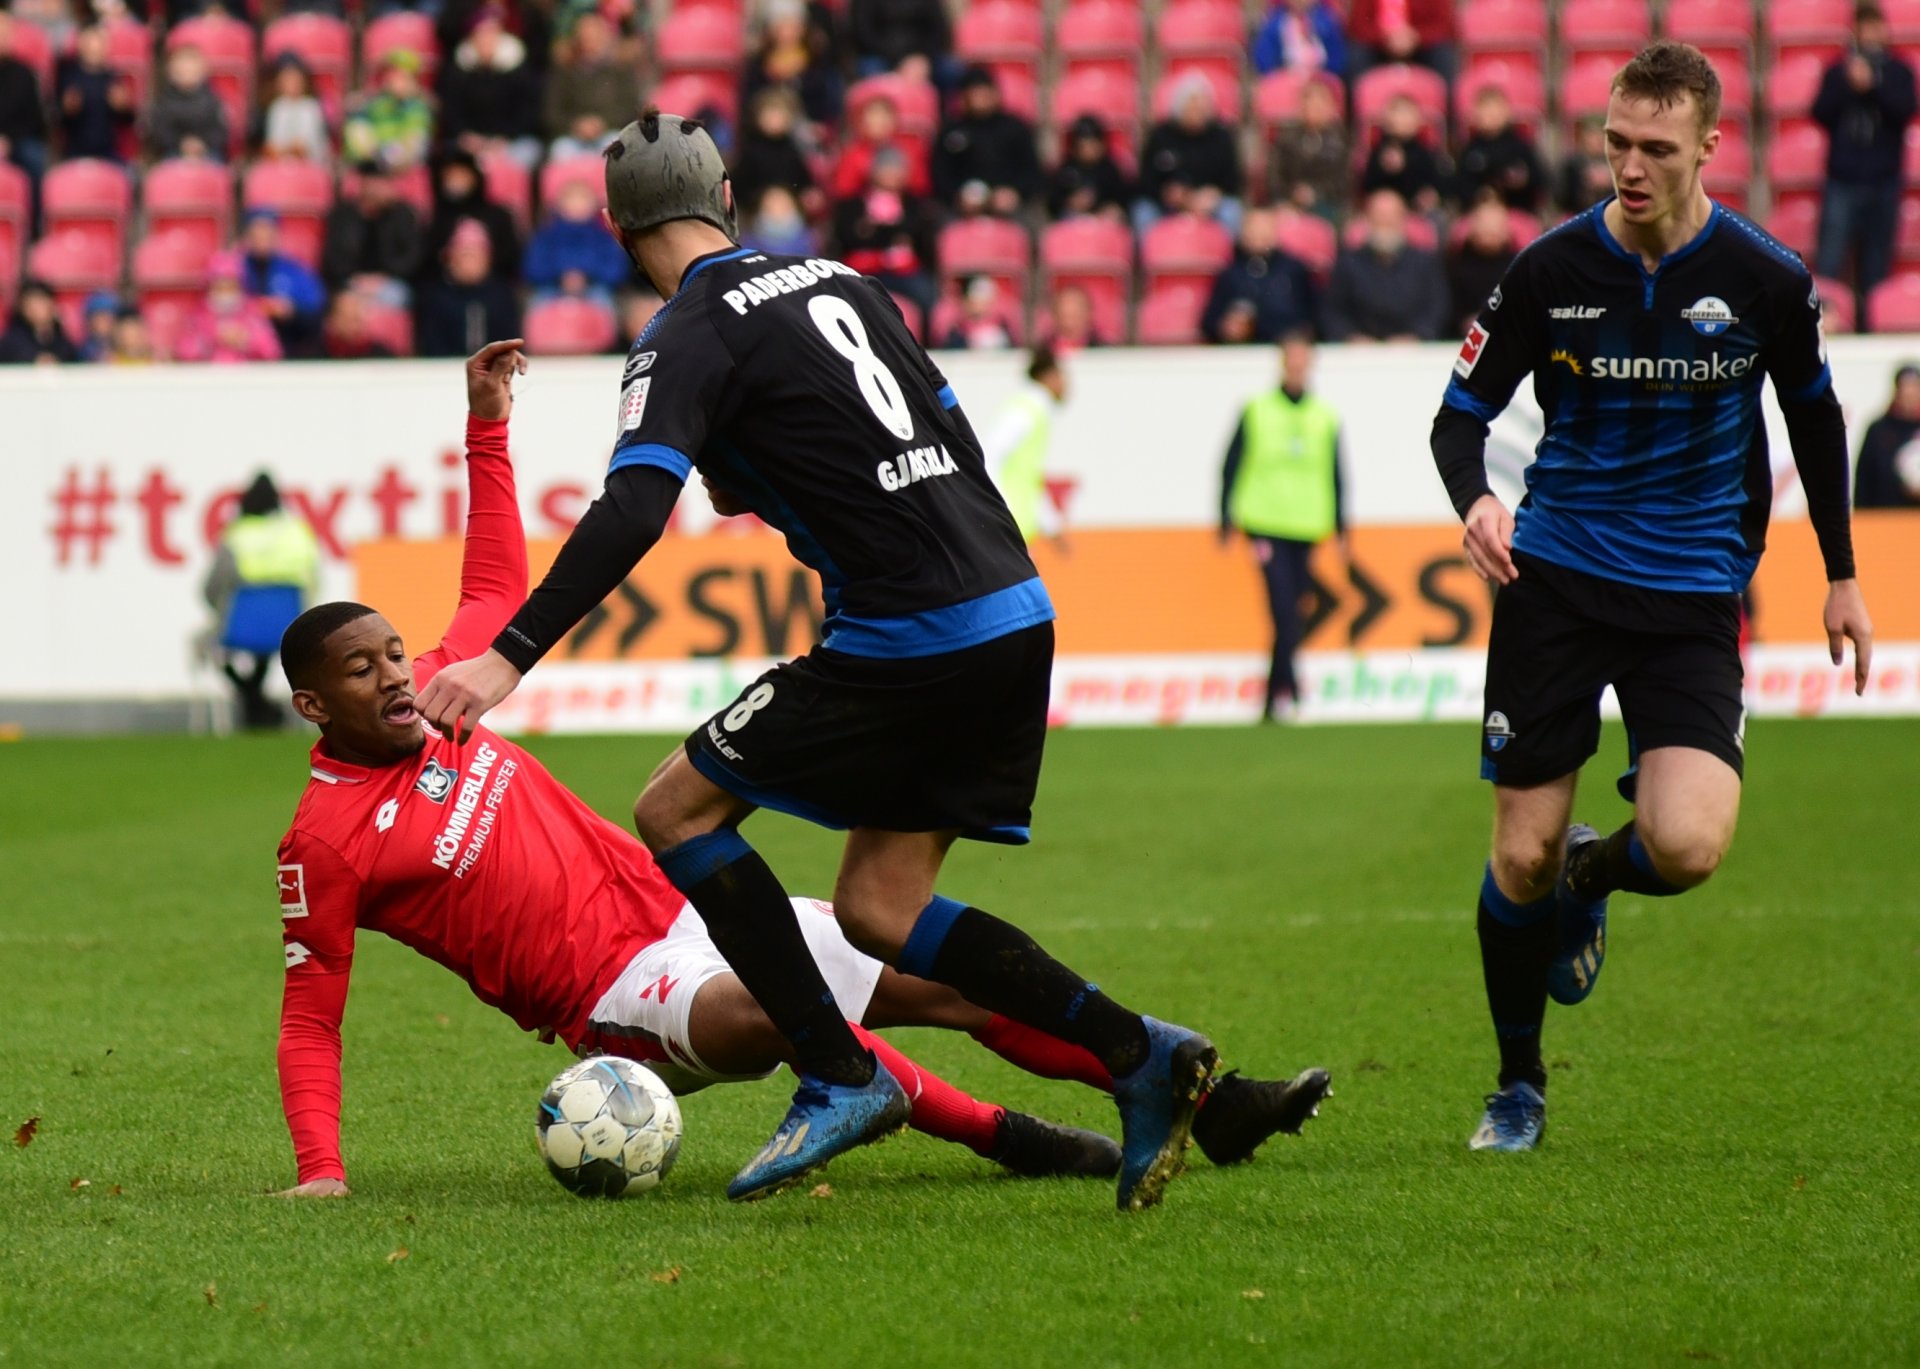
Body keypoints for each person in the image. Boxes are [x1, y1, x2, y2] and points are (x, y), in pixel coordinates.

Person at [282, 340, 1332, 1198]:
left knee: (946, 986)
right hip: (616, 991)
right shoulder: (323, 841)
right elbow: (310, 1011)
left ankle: (1206, 1095)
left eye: (392, 652)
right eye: (362, 668)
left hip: (687, 907)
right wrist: (322, 1171)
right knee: (775, 1010)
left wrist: (487, 425)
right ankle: (1009, 1136)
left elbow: (495, 577)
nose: (394, 675)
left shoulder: (446, 697)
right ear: (313, 705)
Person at [416, 113, 1227, 1212]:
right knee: (879, 909)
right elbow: (943, 436)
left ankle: (838, 1071)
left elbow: (631, 509)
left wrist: (508, 657)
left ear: (616, 226)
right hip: (1013, 608)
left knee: (677, 813)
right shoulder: (842, 280)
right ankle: (1142, 1055)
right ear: (728, 195)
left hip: (906, 631)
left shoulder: (681, 333)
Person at [1429, 42, 1873, 1152]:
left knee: (1686, 846)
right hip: (1558, 578)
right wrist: (1476, 501)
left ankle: (1596, 872)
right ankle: (1517, 1086)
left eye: (1656, 148)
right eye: (1617, 143)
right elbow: (1458, 414)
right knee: (1515, 854)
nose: (1630, 166)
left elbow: (1817, 421)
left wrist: (1842, 576)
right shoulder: (1549, 270)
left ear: (1710, 147)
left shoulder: (1767, 279)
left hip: (1690, 590)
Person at [1220, 329, 1346, 721]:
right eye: (1290, 359)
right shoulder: (1257, 408)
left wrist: (1341, 527)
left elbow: (1337, 473)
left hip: (1306, 525)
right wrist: (1225, 516)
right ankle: (1286, 691)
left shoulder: (1324, 415)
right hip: (1265, 522)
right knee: (1282, 608)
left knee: (1294, 608)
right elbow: (1231, 463)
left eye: (1301, 359)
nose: (1296, 367)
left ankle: (1276, 692)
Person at [1813, 3, 1917, 322]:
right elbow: (1820, 113)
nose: (1871, 35)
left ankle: (1871, 327)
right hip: (1842, 180)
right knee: (1830, 263)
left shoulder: (1899, 71)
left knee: (1876, 267)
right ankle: (1823, 326)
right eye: (1865, 28)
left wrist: (1873, 87)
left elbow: (1904, 111)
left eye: (1876, 28)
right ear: (1855, 31)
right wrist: (1849, 84)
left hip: (1884, 181)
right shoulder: (1837, 70)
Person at [206, 473, 320, 730]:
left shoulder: (237, 535)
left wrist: (222, 612)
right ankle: (258, 704)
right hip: (290, 627)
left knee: (213, 644)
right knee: (267, 651)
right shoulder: (297, 533)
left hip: (238, 627)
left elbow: (212, 588)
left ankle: (252, 700)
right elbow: (313, 583)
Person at [1320, 188, 1450, 341]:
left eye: (1391, 216)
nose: (1385, 222)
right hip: (1359, 353)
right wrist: (1350, 336)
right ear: (1367, 219)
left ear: (1403, 219)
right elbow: (1333, 310)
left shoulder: (1425, 263)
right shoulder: (1348, 263)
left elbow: (1437, 308)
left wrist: (1417, 335)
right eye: (1379, 216)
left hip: (1414, 352)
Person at [829, 143, 941, 317]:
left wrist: (873, 231)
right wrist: (894, 234)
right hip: (863, 269)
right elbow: (849, 238)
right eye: (886, 167)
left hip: (905, 271)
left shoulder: (915, 205)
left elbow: (919, 237)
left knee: (927, 296)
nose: (891, 174)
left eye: (896, 168)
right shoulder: (852, 205)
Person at [983, 346, 1070, 551]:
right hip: (1007, 531)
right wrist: (1002, 512)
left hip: (1014, 532)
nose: (1066, 384)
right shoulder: (1027, 411)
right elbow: (989, 456)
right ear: (1049, 376)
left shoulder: (1035, 411)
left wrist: (1051, 526)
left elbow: (1029, 482)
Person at [1136, 75, 1244, 236]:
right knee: (1143, 212)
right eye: (1190, 107)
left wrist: (1214, 194)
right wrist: (1165, 193)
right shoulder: (1160, 135)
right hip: (1166, 202)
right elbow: (1145, 179)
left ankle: (1229, 259)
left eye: (1200, 107)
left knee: (1231, 211)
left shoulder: (1221, 136)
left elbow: (1234, 180)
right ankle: (1149, 259)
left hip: (1208, 203)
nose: (1196, 112)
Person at [440, 8, 544, 169]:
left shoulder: (519, 70)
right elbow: (451, 111)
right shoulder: (458, 72)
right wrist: (467, 136)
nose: (486, 40)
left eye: (491, 34)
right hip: (470, 141)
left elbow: (528, 113)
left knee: (527, 153)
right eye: (480, 35)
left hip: (512, 140)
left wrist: (505, 138)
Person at [931, 66, 1042, 218]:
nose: (979, 98)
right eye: (974, 93)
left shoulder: (1015, 127)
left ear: (994, 93)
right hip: (961, 206)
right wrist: (957, 197)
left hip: (1010, 204)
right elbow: (941, 173)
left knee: (1031, 221)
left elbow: (1033, 171)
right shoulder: (951, 131)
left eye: (983, 91)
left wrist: (1015, 193)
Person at [1202, 207, 1317, 345]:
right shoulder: (1231, 273)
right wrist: (1225, 327)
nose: (1258, 235)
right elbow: (1210, 320)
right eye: (1252, 229)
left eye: (1264, 229)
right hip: (1244, 352)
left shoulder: (1294, 269)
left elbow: (1311, 316)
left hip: (1285, 348)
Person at [416, 218, 523, 357]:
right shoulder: (436, 297)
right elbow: (431, 346)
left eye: (476, 257)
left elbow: (511, 343)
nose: (470, 264)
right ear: (451, 259)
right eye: (465, 256)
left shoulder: (502, 296)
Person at [542, 11, 641, 157]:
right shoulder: (564, 73)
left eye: (594, 36)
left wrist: (602, 124)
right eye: (584, 36)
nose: (589, 41)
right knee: (562, 151)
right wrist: (576, 125)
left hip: (610, 132)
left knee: (615, 147)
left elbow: (631, 108)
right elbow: (551, 114)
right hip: (572, 137)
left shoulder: (620, 71)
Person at [321, 161, 424, 302]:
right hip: (350, 280)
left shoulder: (402, 214)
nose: (379, 187)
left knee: (395, 297)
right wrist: (356, 278)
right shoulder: (343, 214)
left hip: (389, 282)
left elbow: (411, 257)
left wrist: (383, 277)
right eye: (375, 181)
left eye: (384, 182)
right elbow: (333, 257)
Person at [526, 177, 635, 305]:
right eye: (571, 199)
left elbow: (616, 270)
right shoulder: (547, 235)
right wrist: (562, 275)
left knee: (604, 301)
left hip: (594, 287)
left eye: (583, 199)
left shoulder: (603, 236)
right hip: (552, 287)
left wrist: (586, 275)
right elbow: (533, 267)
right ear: (558, 204)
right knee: (538, 302)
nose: (577, 205)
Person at [423, 147, 521, 283]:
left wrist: (480, 263)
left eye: (462, 176)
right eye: (450, 177)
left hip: (492, 284)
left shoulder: (498, 214)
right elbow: (430, 257)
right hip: (447, 286)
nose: (456, 182)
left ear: (475, 178)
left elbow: (511, 255)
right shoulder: (439, 217)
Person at [240, 210, 329, 358]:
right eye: (256, 233)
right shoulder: (233, 268)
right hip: (244, 352)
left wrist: (290, 310)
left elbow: (315, 311)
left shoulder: (295, 270)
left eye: (267, 232)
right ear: (247, 235)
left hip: (289, 348)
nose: (262, 238)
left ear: (277, 235)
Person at [740, 0, 843, 128]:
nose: (787, 32)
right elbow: (750, 101)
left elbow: (825, 101)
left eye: (793, 26)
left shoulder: (815, 59)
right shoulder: (760, 63)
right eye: (782, 26)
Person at [176, 253, 286, 363]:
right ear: (209, 288)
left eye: (231, 287)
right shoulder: (198, 317)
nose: (225, 293)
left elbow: (272, 352)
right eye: (220, 288)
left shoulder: (253, 314)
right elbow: (184, 352)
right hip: (209, 377)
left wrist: (246, 340)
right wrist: (214, 338)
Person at [729, 88, 820, 221]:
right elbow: (739, 187)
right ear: (758, 118)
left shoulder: (793, 151)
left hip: (790, 213)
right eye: (769, 115)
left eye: (780, 115)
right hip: (756, 215)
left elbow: (803, 181)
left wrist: (806, 195)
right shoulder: (750, 152)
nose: (775, 121)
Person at [1270, 76, 1350, 222]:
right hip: (1288, 201)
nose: (1315, 108)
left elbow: (1345, 179)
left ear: (1332, 107)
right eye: (1310, 102)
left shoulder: (1342, 139)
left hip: (1328, 202)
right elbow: (1274, 176)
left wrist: (1315, 193)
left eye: (1321, 103)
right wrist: (1292, 194)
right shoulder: (1285, 137)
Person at [1453, 85, 1545, 212]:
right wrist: (1481, 194)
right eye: (1485, 109)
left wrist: (1522, 181)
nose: (1491, 114)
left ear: (1507, 112)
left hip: (1516, 210)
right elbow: (1459, 185)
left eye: (1496, 109)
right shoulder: (1470, 149)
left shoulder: (1520, 146)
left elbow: (1540, 180)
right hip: (1477, 213)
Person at [343, 50, 434, 173]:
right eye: (392, 75)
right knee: (356, 127)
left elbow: (415, 141)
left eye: (403, 77)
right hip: (372, 161)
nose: (396, 81)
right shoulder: (373, 103)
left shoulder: (419, 108)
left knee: (417, 140)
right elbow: (356, 128)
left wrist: (390, 154)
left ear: (414, 80)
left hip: (404, 165)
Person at [57, 23, 135, 163]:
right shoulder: (67, 76)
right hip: (75, 151)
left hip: (109, 151)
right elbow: (57, 121)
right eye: (89, 42)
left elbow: (128, 121)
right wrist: (69, 110)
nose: (94, 47)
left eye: (99, 42)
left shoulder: (115, 77)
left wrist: (123, 108)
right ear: (80, 45)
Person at [829, 91, 930, 201]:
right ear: (861, 122)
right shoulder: (853, 154)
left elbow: (922, 185)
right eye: (873, 116)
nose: (879, 121)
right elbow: (843, 190)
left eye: (884, 116)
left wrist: (900, 180)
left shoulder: (910, 147)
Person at [1361, 93, 1446, 213]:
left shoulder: (1425, 152)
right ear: (1386, 120)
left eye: (1408, 114)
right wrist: (1386, 170)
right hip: (1384, 210)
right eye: (1398, 114)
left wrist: (1430, 194)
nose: (1403, 120)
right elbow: (1368, 186)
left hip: (1417, 209)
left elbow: (1434, 182)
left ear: (1419, 120)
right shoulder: (1379, 152)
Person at [1446, 192, 1519, 334]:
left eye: (1495, 227)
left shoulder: (1520, 267)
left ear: (1506, 231)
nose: (1490, 232)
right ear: (1472, 229)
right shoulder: (1454, 266)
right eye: (1484, 226)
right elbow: (1446, 309)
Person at [1854, 361, 1920, 507]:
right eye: (1905, 387)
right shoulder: (1879, 430)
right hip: (1886, 517)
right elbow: (1864, 478)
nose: (1909, 393)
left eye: (1914, 387)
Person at [148, 43, 228, 162]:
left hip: (207, 152)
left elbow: (220, 131)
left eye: (191, 70)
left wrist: (202, 144)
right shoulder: (163, 102)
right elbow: (160, 132)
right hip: (174, 151)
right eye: (182, 70)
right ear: (172, 72)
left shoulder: (212, 101)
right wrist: (181, 144)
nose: (187, 73)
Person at [1346, 0, 1455, 86]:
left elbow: (1443, 25)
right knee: (1358, 56)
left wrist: (1416, 36)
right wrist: (1385, 37)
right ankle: (1356, 110)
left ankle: (1449, 111)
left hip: (1421, 45)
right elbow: (1359, 25)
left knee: (1442, 55)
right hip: (1379, 45)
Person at [1047, 114, 1131, 221]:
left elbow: (1122, 197)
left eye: (1093, 145)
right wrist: (1070, 202)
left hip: (1103, 220)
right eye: (1084, 146)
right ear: (1075, 147)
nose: (1089, 150)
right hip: (1072, 220)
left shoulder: (1110, 170)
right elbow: (1052, 201)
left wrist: (1111, 207)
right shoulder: (1066, 169)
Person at [0, 12, 49, 191]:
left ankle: (34, 218)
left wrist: (8, 139)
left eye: (5, 32)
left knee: (33, 156)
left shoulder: (24, 73)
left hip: (18, 140)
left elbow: (35, 121)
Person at [259, 55, 331, 165]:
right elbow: (273, 146)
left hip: (311, 165)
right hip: (281, 165)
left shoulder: (311, 107)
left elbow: (308, 146)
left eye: (295, 80)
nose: (292, 84)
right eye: (287, 80)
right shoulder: (277, 107)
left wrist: (291, 149)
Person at [1253, 0, 1347, 79]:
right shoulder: (1274, 23)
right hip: (1285, 77)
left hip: (1320, 79)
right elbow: (1264, 56)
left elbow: (1336, 54)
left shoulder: (1327, 22)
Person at [0, 279, 78, 364]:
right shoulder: (11, 341)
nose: (36, 309)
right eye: (30, 304)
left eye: (41, 302)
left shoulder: (63, 341)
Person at [1556, 115, 1614, 215]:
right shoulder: (1572, 164)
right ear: (1584, 138)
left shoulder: (1615, 163)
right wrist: (1584, 181)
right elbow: (1561, 197)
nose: (1597, 141)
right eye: (1593, 136)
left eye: (1601, 136)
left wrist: (1610, 182)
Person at [741, 184, 819, 257]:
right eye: (771, 208)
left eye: (783, 207)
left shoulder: (810, 240)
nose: (778, 212)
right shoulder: (749, 242)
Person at [320, 289, 398, 359]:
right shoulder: (315, 356)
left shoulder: (383, 356)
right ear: (332, 320)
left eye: (356, 319)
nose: (352, 326)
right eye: (346, 320)